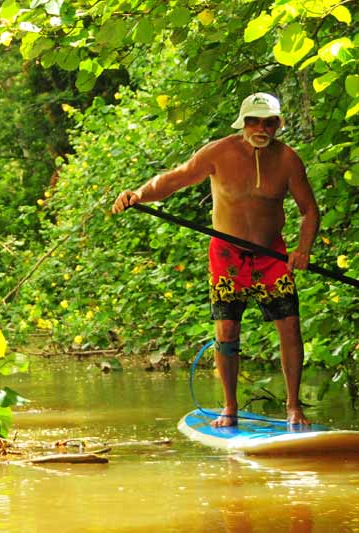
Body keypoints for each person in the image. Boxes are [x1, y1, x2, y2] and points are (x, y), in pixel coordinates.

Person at [112, 93, 319, 427]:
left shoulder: (288, 161)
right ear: (243, 122)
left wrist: (303, 248)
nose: (262, 128)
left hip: (272, 254)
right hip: (227, 253)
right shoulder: (218, 152)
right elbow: (175, 178)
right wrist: (139, 194)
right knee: (226, 329)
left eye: (269, 122)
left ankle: (294, 406)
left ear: (278, 124)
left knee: (290, 325)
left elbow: (309, 210)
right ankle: (230, 407)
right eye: (255, 121)